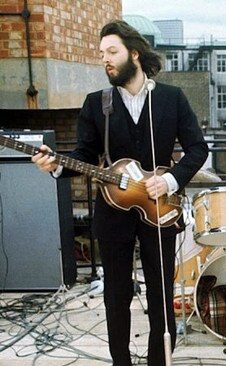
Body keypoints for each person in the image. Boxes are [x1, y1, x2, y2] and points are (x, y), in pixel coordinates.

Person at [31, 20, 208, 366]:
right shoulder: (97, 103)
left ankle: (161, 361)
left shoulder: (171, 98)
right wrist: (55, 165)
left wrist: (171, 180)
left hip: (159, 207)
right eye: (102, 54)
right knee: (115, 295)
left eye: (112, 52)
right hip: (112, 212)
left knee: (160, 296)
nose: (105, 60)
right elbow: (83, 155)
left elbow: (197, 149)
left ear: (135, 54)